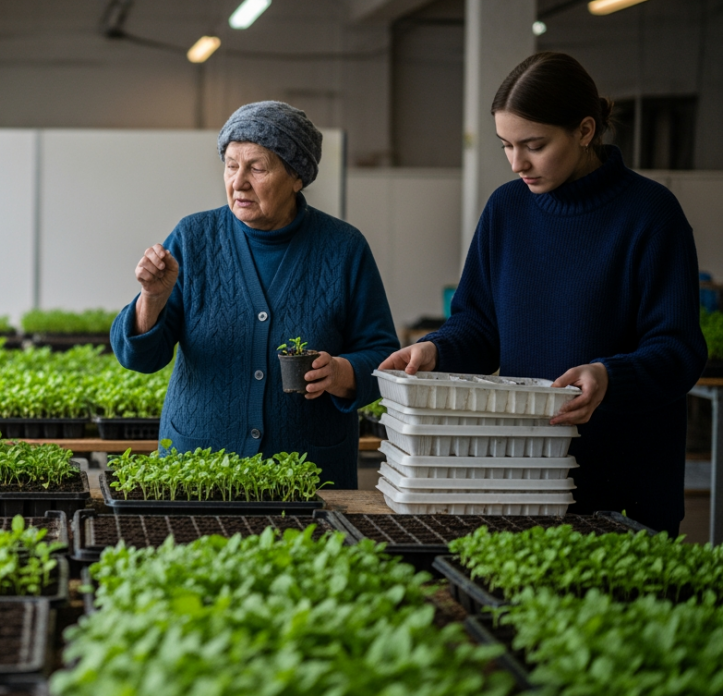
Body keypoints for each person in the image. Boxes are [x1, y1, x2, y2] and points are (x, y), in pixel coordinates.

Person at [380, 52, 706, 534]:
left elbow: (679, 351)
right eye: (506, 146)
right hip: (524, 478)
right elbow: (480, 325)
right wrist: (437, 348)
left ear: (586, 130)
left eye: (534, 145)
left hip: (626, 484)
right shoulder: (507, 210)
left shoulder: (651, 215)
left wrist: (609, 376)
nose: (517, 163)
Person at [110, 101, 400, 488]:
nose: (239, 182)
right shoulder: (194, 238)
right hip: (199, 468)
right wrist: (152, 298)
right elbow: (138, 358)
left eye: (257, 168)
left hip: (309, 474)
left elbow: (383, 355)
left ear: (297, 177)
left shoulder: (343, 248)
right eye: (231, 165)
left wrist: (342, 373)